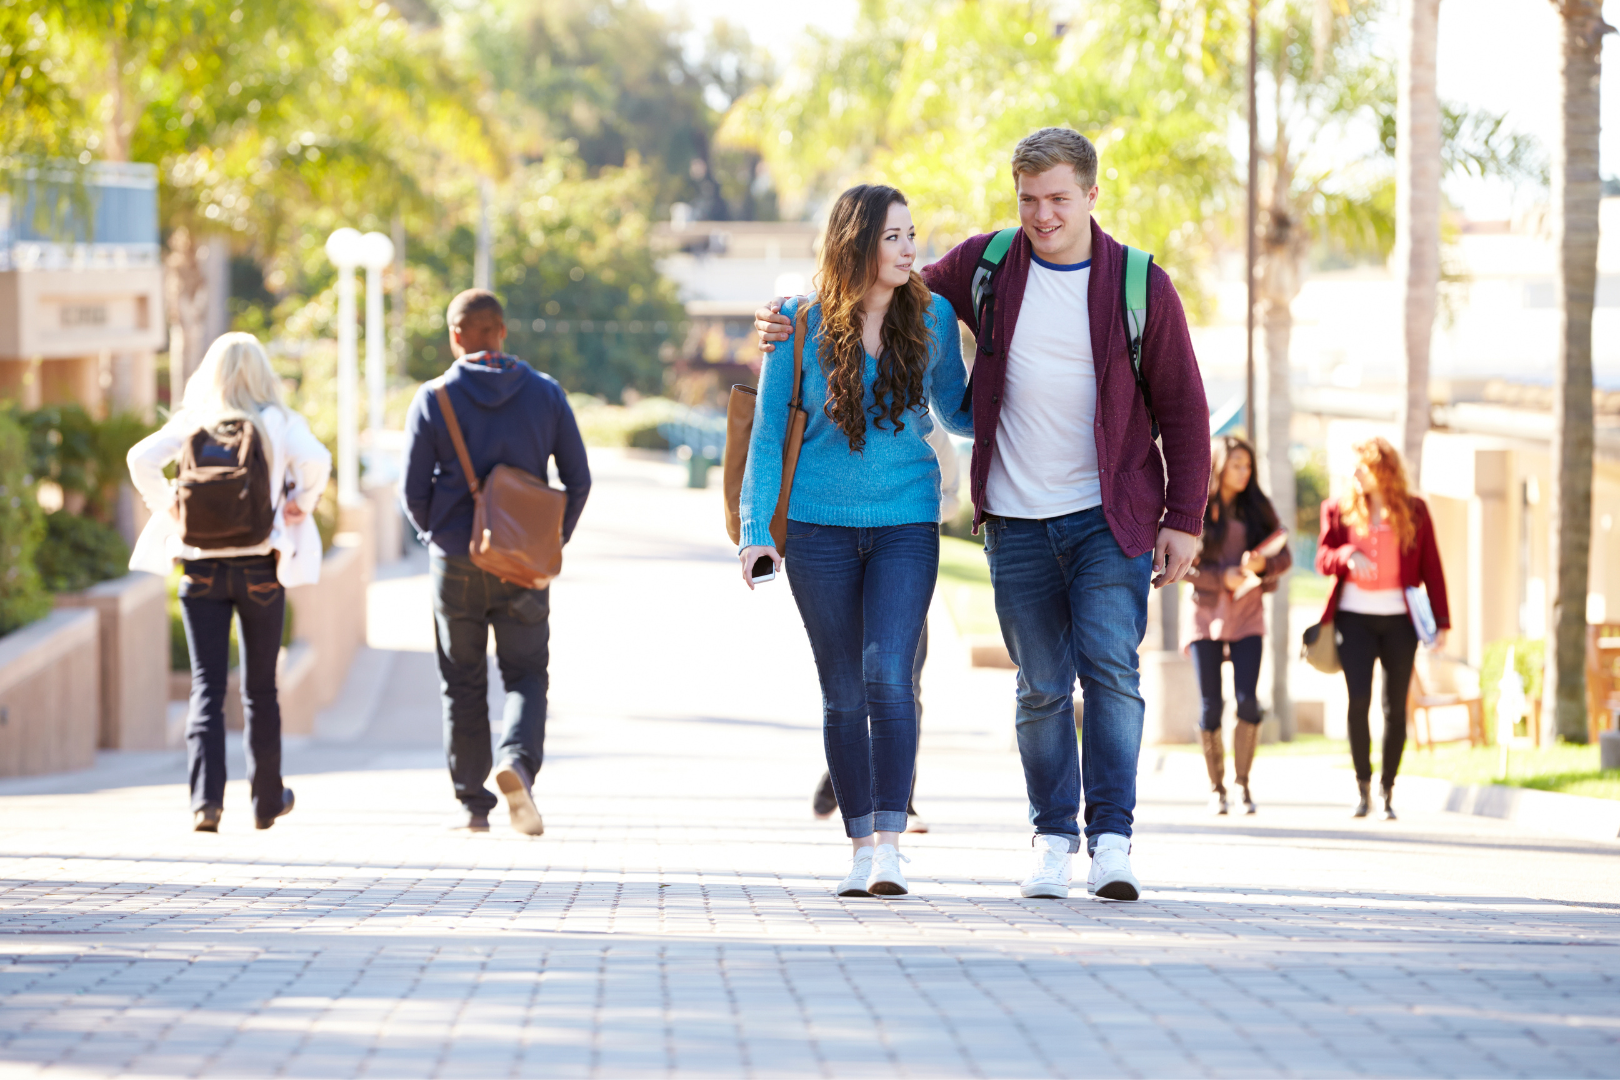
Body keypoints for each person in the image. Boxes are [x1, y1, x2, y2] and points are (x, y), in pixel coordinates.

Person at [758, 128, 1209, 901]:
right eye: (1029, 199)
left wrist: (1185, 515)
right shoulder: (988, 264)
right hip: (1017, 517)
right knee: (1039, 684)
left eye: (1059, 199)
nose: (1042, 215)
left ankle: (1110, 841)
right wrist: (789, 312)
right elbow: (882, 288)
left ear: (1092, 196)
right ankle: (1051, 836)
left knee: (1110, 671)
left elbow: (1185, 407)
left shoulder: (1140, 286)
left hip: (1111, 513)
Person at [739, 184, 971, 898]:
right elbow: (771, 428)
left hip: (906, 519)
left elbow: (959, 412)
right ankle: (860, 846)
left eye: (912, 234)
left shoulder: (931, 314)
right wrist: (754, 532)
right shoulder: (797, 322)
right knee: (842, 692)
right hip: (817, 528)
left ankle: (892, 848)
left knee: (889, 674)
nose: (910, 249)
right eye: (894, 236)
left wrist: (1003, 354)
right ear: (856, 241)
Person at [401, 289, 591, 836]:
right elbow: (578, 480)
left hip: (456, 562)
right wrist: (550, 542)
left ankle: (473, 805)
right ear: (501, 332)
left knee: (460, 682)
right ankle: (519, 764)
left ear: (456, 335)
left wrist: (438, 536)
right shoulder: (546, 394)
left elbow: (412, 492)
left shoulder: (433, 398)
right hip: (525, 565)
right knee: (526, 674)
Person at [128, 332, 331, 833]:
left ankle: (206, 804)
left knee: (206, 687)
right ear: (261, 374)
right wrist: (302, 501)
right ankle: (266, 800)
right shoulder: (279, 422)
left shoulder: (194, 422)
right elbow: (319, 461)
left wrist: (170, 507)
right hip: (261, 568)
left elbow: (140, 459)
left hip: (200, 568)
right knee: (261, 689)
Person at [811, 422, 961, 833]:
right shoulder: (837, 419)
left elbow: (951, 495)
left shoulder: (927, 429)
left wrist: (910, 502)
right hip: (841, 556)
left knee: (901, 684)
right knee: (850, 687)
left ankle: (903, 800)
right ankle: (841, 777)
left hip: (902, 560)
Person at [1316, 436, 1450, 820]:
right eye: (1354, 466)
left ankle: (1387, 788)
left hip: (1400, 621)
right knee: (1358, 700)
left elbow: (1433, 569)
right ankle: (1362, 786)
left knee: (1395, 707)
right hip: (1352, 617)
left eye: (1364, 466)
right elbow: (1323, 558)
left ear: (1384, 470)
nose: (1355, 473)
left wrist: (1441, 622)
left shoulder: (1415, 510)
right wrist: (1347, 553)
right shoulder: (1338, 509)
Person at [1187, 436, 1290, 816]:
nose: (1244, 472)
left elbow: (1284, 554)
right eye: (1236, 465)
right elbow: (1182, 568)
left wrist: (1264, 566)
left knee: (1248, 701)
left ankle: (1243, 784)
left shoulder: (1258, 507)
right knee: (1211, 706)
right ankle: (1217, 788)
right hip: (1205, 617)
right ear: (1219, 466)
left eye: (1248, 466)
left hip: (1248, 615)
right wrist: (1220, 578)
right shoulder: (1196, 505)